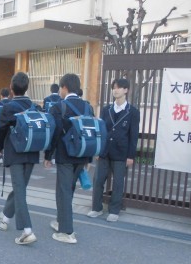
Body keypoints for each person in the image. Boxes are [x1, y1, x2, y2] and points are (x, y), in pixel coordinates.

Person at [44, 73, 93, 244]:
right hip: (82, 154)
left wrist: (48, 155)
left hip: (65, 155)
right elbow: (91, 132)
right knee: (69, 189)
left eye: (60, 88)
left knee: (63, 191)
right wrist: (89, 159)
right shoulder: (88, 107)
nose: (60, 91)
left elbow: (54, 134)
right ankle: (61, 221)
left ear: (64, 87)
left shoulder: (58, 107)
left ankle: (67, 232)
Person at [0, 72, 38, 245]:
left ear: (11, 88)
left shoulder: (8, 107)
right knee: (19, 187)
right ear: (26, 87)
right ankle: (6, 217)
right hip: (32, 152)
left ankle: (27, 230)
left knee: (19, 189)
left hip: (15, 152)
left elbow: (0, 130)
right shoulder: (34, 106)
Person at [88, 78, 139, 222]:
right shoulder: (106, 110)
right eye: (114, 88)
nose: (115, 90)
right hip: (104, 151)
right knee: (98, 180)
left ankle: (114, 211)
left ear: (126, 90)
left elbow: (133, 135)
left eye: (118, 88)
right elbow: (101, 130)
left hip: (121, 152)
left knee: (118, 183)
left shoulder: (133, 112)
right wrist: (98, 150)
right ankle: (96, 208)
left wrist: (130, 156)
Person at [0, 88, 11, 166]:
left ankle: (0, 158)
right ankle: (8, 159)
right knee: (8, 143)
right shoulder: (12, 103)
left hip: (0, 126)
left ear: (1, 95)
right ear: (9, 95)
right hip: (10, 127)